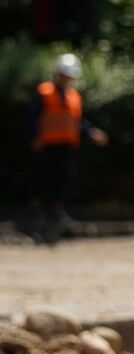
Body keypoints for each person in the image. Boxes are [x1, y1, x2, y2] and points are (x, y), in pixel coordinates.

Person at [25, 54, 109, 243]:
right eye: (64, 74)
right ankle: (34, 213)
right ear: (58, 73)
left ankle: (58, 212)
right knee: (40, 178)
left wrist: (92, 131)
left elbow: (77, 120)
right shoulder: (44, 92)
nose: (67, 78)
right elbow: (31, 117)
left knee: (62, 179)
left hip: (65, 146)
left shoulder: (73, 95)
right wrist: (33, 137)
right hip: (45, 144)